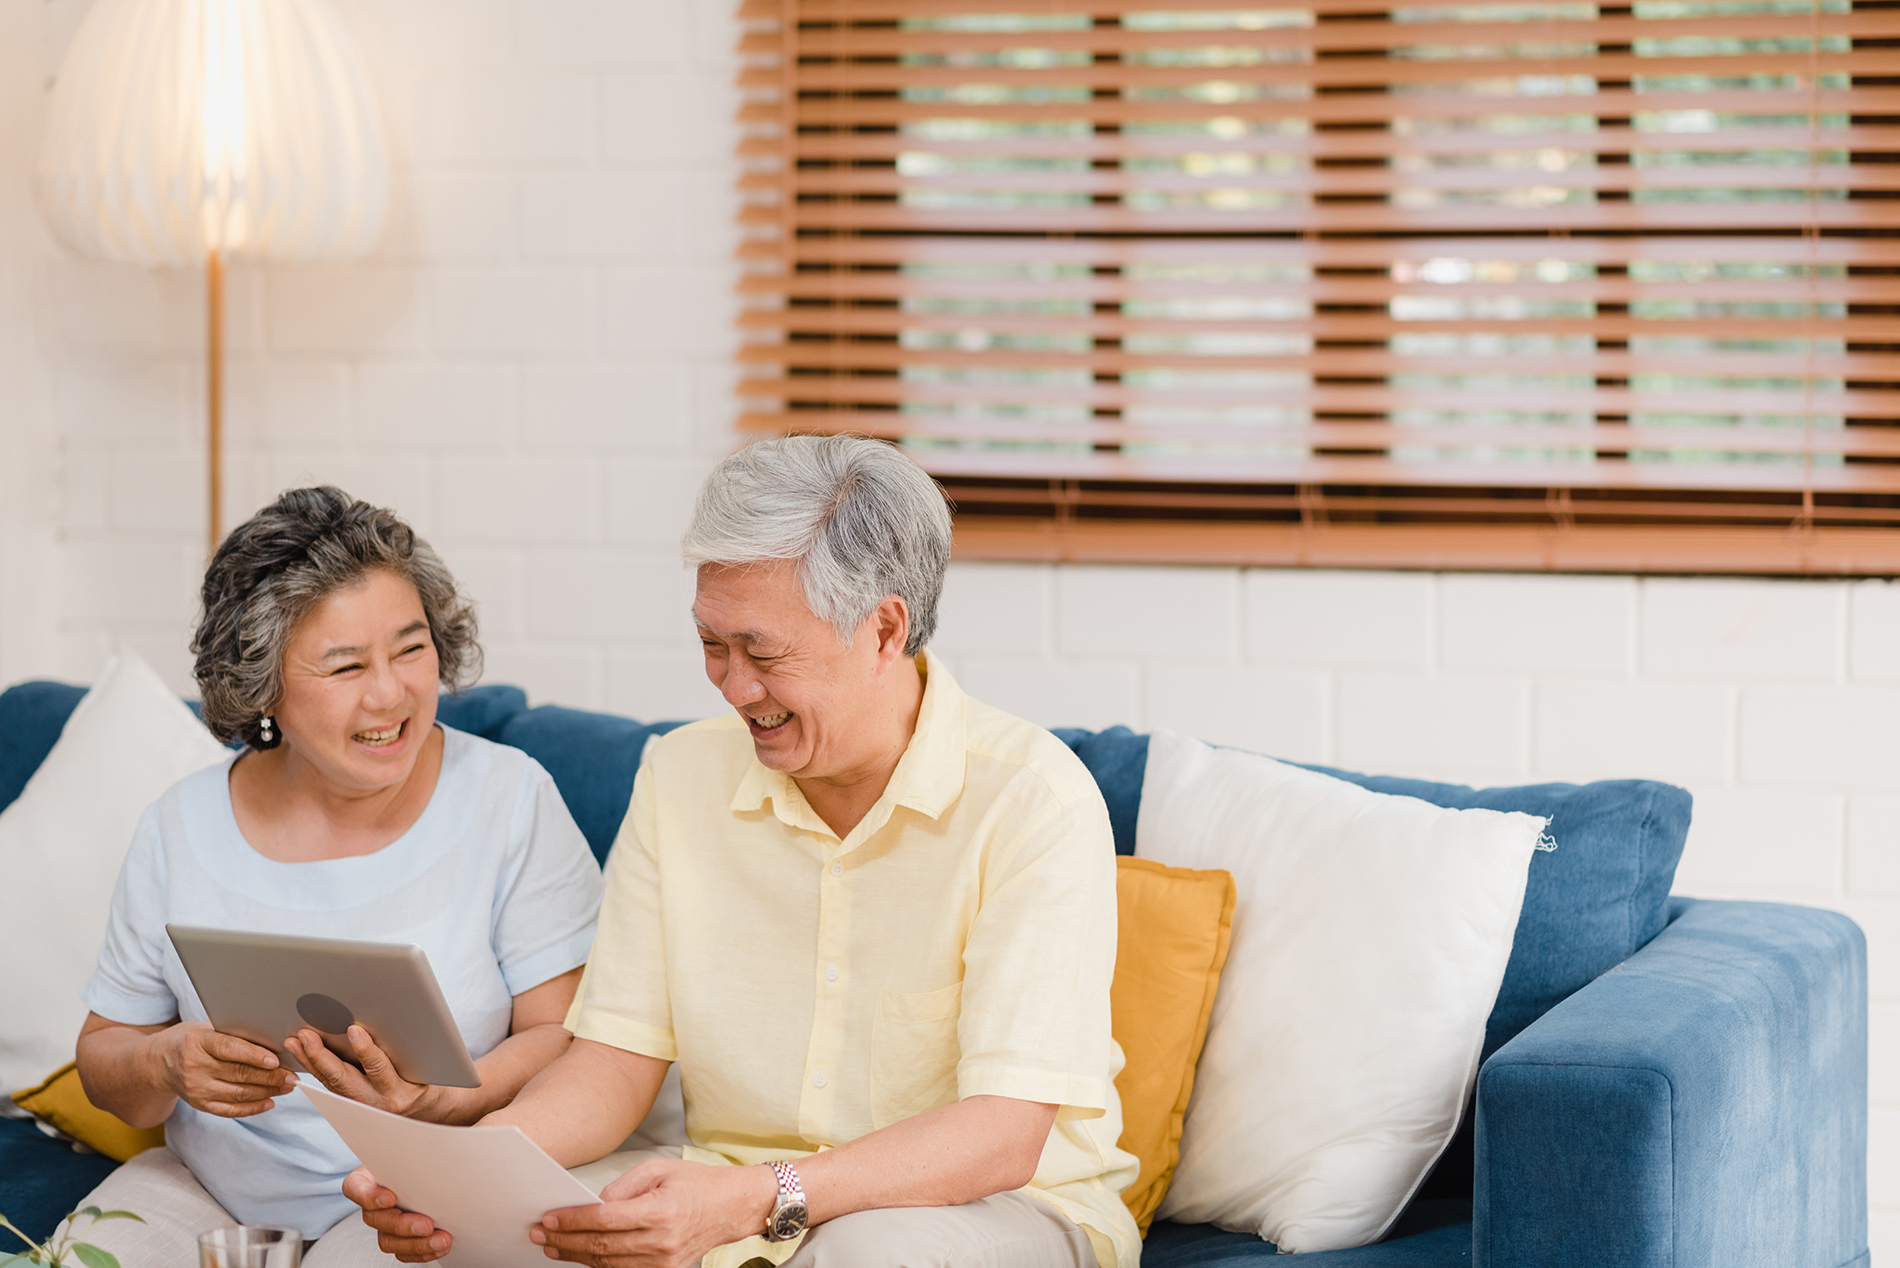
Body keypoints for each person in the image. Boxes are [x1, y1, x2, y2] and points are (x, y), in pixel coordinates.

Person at [346, 436, 1140, 1268]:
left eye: (762, 652)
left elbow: (1001, 1137)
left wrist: (760, 1196)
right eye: (711, 645)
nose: (731, 687)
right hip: (725, 1191)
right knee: (472, 1241)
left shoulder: (1030, 800)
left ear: (883, 630)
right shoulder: (679, 776)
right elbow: (612, 1064)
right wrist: (457, 1173)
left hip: (993, 1207)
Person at [65, 487, 604, 1267]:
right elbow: (106, 1053)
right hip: (205, 1184)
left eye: (411, 649)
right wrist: (165, 1062)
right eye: (345, 665)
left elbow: (566, 1036)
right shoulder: (180, 824)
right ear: (264, 685)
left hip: (418, 1184)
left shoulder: (508, 797)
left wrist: (445, 1099)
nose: (389, 693)